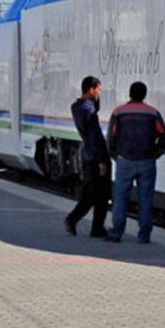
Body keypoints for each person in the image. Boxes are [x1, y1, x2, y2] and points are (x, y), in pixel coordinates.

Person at [105, 81, 165, 244]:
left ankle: (116, 233)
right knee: (146, 199)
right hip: (147, 161)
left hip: (124, 160)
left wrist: (114, 155)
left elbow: (111, 137)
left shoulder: (118, 112)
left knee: (120, 198)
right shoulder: (152, 113)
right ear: (144, 95)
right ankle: (144, 236)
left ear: (130, 94)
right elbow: (164, 134)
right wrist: (157, 152)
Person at [64, 76, 111, 238]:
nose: (99, 93)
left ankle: (82, 222)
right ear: (91, 90)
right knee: (101, 194)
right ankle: (90, 226)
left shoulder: (77, 107)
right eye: (98, 90)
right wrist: (102, 161)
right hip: (96, 156)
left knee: (91, 192)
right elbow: (95, 137)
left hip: (88, 154)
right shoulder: (89, 111)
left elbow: (93, 108)